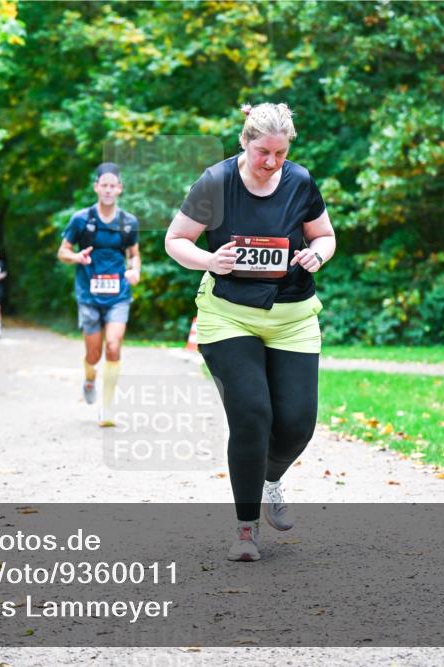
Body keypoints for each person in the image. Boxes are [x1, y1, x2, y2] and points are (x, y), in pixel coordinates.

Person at [164, 103, 336, 562]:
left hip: (293, 315)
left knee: (297, 424)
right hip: (228, 315)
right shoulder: (215, 183)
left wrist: (316, 255)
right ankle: (245, 529)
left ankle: (272, 477)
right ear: (245, 142)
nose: (271, 162)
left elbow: (324, 235)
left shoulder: (300, 181)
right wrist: (210, 260)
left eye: (280, 153)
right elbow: (176, 240)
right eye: (263, 152)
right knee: (252, 414)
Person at [57, 163, 141, 427]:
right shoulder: (81, 219)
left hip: (118, 294)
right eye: (103, 185)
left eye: (112, 185)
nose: (107, 190)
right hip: (88, 294)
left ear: (119, 189)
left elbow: (134, 255)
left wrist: (135, 270)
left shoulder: (128, 222)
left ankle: (107, 407)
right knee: (93, 355)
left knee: (114, 346)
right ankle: (90, 377)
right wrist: (76, 257)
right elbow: (63, 252)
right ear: (96, 187)